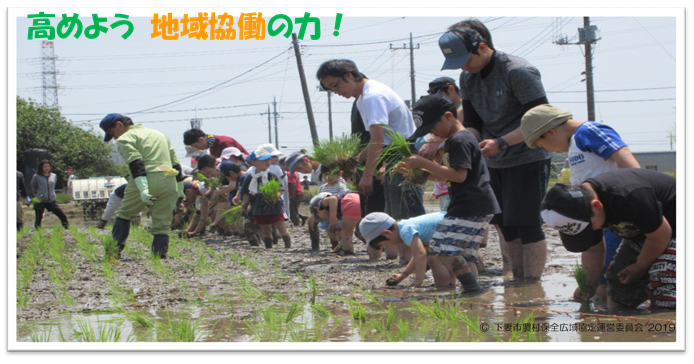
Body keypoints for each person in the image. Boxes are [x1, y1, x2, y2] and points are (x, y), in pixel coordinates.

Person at [439, 23, 552, 281]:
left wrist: (501, 142)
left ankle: (532, 286)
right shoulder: (467, 78)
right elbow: (474, 122)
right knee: (505, 225)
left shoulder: (518, 72)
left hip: (527, 157)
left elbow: (541, 120)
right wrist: (467, 143)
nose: (462, 66)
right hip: (494, 160)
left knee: (528, 224)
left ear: (482, 47)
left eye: (465, 59)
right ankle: (517, 279)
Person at [521, 103, 641, 301]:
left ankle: (612, 303)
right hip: (595, 214)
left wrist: (637, 196)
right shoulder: (575, 144)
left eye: (543, 146)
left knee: (615, 261)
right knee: (597, 254)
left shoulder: (589, 131)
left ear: (550, 132)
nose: (549, 150)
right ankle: (598, 297)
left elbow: (625, 159)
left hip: (615, 209)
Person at [317, 59, 425, 265]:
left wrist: (367, 175)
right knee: (396, 213)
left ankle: (424, 260)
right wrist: (358, 160)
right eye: (331, 89)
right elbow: (378, 141)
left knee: (407, 210)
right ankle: (407, 262)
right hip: (391, 153)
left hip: (403, 152)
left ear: (349, 75)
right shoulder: (362, 98)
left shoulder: (372, 96)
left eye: (335, 86)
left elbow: (377, 139)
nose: (336, 92)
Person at [400, 94, 501, 291]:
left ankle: (468, 290)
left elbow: (459, 176)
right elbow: (446, 176)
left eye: (432, 126)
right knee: (466, 253)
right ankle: (473, 293)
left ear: (448, 116)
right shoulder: (456, 140)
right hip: (476, 204)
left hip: (469, 205)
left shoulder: (459, 140)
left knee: (441, 248)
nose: (432, 133)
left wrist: (423, 162)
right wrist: (418, 173)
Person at [541, 168, 676, 310]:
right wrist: (589, 285)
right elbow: (593, 250)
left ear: (597, 206)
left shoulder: (628, 195)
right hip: (646, 234)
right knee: (619, 283)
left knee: (665, 283)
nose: (590, 232)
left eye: (587, 229)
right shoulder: (581, 210)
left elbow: (661, 235)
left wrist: (639, 266)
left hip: (671, 226)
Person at [100, 113, 185, 258]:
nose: (115, 138)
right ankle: (158, 257)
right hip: (168, 180)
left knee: (125, 214)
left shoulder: (125, 139)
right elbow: (176, 164)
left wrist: (144, 189)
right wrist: (180, 189)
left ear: (119, 125)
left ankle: (114, 252)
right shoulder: (160, 135)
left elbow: (136, 165)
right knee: (162, 223)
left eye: (113, 133)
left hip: (146, 178)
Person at [360, 211, 460, 288]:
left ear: (387, 233)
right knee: (443, 257)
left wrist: (418, 279)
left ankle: (443, 289)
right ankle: (450, 287)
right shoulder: (406, 226)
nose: (389, 246)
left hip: (453, 226)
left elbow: (421, 254)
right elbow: (418, 256)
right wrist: (403, 275)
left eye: (385, 244)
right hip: (455, 224)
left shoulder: (405, 231)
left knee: (435, 259)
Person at [241, 149, 291, 249]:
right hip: (258, 206)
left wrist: (274, 196)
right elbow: (246, 194)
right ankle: (268, 247)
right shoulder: (250, 178)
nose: (267, 162)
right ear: (254, 163)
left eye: (268, 159)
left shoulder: (271, 175)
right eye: (264, 160)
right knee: (265, 228)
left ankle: (288, 246)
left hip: (274, 206)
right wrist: (244, 207)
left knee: (280, 226)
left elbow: (280, 189)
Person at [30, 159, 70, 229]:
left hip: (51, 200)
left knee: (62, 216)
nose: (46, 168)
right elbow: (33, 187)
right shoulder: (36, 176)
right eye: (45, 166)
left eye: (48, 166)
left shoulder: (53, 176)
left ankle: (68, 230)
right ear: (41, 167)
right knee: (39, 218)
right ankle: (38, 233)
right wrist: (35, 195)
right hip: (40, 200)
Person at [183, 128, 249, 159]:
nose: (198, 149)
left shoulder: (224, 142)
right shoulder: (212, 147)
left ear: (201, 139)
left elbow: (233, 163)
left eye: (196, 146)